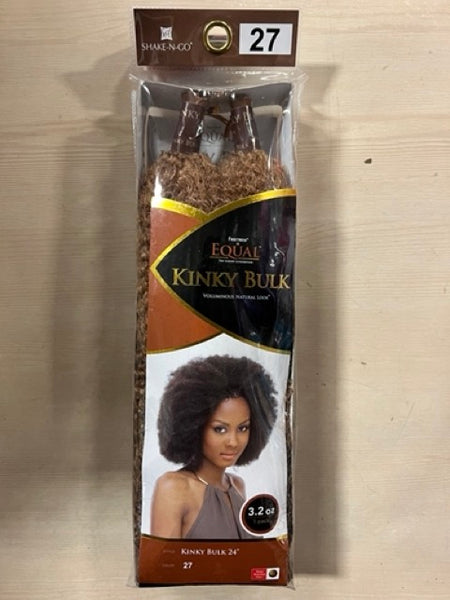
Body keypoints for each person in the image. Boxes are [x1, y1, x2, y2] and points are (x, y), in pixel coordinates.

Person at [150, 354, 277, 539]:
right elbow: (161, 556)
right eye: (220, 429)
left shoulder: (237, 486)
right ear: (195, 427)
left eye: (243, 428)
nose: (233, 442)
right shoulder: (175, 488)